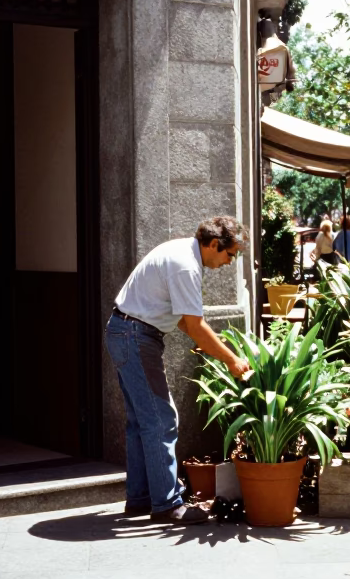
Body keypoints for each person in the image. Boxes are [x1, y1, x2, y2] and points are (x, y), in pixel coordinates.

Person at [105, 216, 250, 525]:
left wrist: (212, 347)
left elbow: (185, 321)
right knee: (161, 419)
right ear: (213, 244)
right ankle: (168, 504)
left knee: (141, 421)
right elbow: (195, 326)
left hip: (126, 332)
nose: (230, 262)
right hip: (136, 336)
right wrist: (232, 360)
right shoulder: (186, 265)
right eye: (230, 253)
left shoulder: (181, 251)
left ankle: (141, 497)